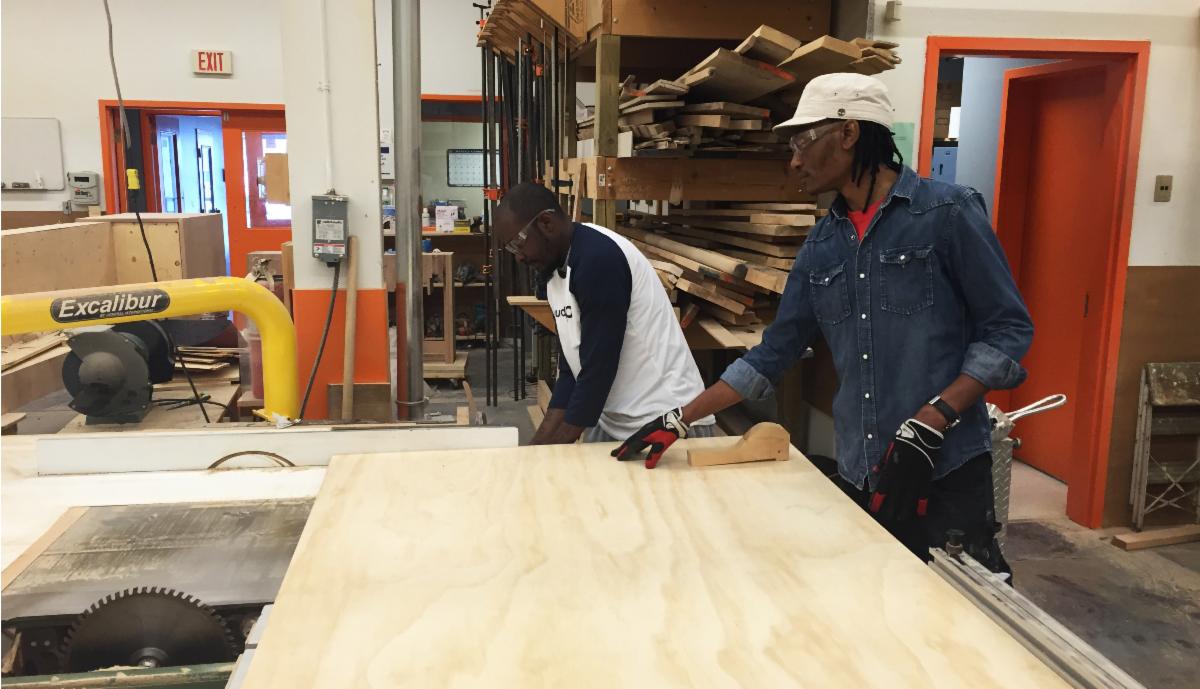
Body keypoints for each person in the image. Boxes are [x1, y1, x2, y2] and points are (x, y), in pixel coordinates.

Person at [612, 73, 1033, 572]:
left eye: (802, 143)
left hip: (946, 474)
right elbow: (775, 353)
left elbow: (1008, 329)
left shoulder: (947, 213)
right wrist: (680, 418)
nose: (794, 161)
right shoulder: (822, 247)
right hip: (864, 470)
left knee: (970, 624)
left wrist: (934, 417)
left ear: (849, 133)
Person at [494, 183, 716, 452]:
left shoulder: (599, 260)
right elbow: (572, 367)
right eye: (510, 249)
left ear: (546, 223)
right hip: (616, 421)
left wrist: (541, 458)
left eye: (518, 243)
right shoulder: (554, 270)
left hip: (667, 423)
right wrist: (533, 453)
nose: (518, 257)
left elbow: (598, 370)